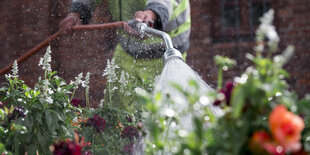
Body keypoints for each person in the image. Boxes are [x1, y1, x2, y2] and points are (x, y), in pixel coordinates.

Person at [59, 0, 191, 107]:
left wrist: (151, 15)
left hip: (164, 52)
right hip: (127, 49)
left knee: (162, 117)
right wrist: (77, 13)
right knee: (117, 117)